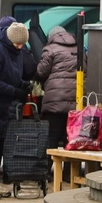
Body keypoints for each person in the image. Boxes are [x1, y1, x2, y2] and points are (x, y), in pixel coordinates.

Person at [0, 21, 32, 200]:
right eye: (17, 43)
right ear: (9, 39)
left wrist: (22, 84)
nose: (20, 46)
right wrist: (15, 91)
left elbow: (12, 75)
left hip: (4, 107)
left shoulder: (15, 51)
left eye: (22, 43)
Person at [34, 25, 78, 175]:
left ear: (51, 36)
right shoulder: (79, 49)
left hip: (54, 102)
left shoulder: (50, 49)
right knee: (70, 140)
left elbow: (41, 72)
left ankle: (44, 173)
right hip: (75, 103)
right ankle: (68, 175)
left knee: (50, 139)